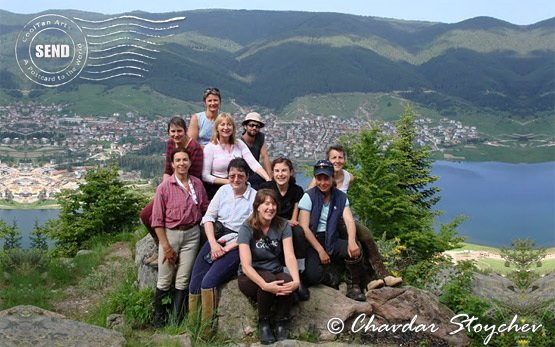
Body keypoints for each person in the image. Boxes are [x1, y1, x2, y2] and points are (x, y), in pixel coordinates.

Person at [308, 144, 402, 290]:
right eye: (334, 158)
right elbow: (309, 200)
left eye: (340, 157)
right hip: (327, 224)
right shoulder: (319, 180)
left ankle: (384, 275)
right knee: (353, 240)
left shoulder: (348, 177)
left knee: (365, 233)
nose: (337, 161)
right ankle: (367, 280)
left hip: (343, 218)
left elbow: (344, 199)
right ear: (328, 160)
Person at [188, 158, 257, 333]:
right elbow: (209, 217)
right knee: (195, 282)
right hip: (216, 238)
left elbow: (251, 230)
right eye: (232, 175)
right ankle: (192, 326)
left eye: (240, 175)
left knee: (208, 281)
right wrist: (213, 244)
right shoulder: (223, 191)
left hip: (237, 243)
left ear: (247, 176)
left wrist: (226, 248)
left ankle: (206, 330)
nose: (235, 179)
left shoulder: (255, 197)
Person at [151, 147, 209, 328]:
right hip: (171, 234)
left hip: (192, 234)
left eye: (185, 160)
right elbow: (157, 220)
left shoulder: (197, 184)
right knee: (164, 278)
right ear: (172, 164)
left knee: (183, 278)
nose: (182, 163)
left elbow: (205, 208)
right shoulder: (164, 188)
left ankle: (177, 318)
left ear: (190, 163)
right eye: (178, 160)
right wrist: (166, 247)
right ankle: (159, 318)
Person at [237, 189, 300, 344]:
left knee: (287, 281)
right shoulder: (247, 227)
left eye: (273, 204)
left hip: (274, 269)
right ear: (257, 206)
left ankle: (281, 322)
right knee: (270, 280)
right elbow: (246, 265)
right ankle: (263, 323)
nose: (270, 208)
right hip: (250, 275)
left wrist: (296, 280)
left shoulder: (283, 225)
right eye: (266, 203)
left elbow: (290, 255)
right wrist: (264, 285)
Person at [299, 160, 367, 301]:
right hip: (314, 240)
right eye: (319, 178)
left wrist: (352, 242)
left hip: (332, 238)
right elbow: (304, 227)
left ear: (332, 178)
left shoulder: (340, 197)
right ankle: (330, 278)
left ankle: (354, 287)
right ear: (315, 179)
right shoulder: (309, 196)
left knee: (355, 250)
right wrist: (320, 250)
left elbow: (349, 220)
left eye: (326, 178)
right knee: (312, 276)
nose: (323, 182)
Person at [140, 117, 203, 265]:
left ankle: (173, 251)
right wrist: (163, 190)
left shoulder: (194, 148)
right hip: (170, 186)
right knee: (146, 215)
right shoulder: (170, 144)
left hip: (188, 189)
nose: (176, 135)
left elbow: (195, 176)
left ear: (185, 130)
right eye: (172, 131)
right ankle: (160, 246)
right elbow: (168, 169)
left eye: (179, 131)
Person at [259, 157, 310, 300]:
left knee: (298, 232)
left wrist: (291, 221)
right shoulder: (266, 188)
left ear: (291, 172)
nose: (280, 174)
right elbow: (262, 212)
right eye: (277, 171)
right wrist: (286, 222)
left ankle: (297, 276)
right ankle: (285, 278)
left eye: (284, 171)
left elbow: (295, 214)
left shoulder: (296, 190)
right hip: (269, 225)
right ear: (272, 173)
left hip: (288, 227)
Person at [202, 112, 271, 199]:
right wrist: (228, 181)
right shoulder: (210, 148)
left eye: (229, 125)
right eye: (222, 125)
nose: (226, 128)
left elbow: (253, 163)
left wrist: (268, 178)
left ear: (233, 128)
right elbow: (205, 176)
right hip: (219, 185)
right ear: (217, 128)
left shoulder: (239, 144)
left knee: (260, 181)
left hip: (239, 182)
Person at [240, 112, 272, 189]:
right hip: (244, 174)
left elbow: (265, 156)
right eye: (251, 125)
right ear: (245, 126)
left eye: (257, 126)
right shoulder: (240, 141)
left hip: (256, 172)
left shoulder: (260, 137)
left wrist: (270, 178)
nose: (254, 128)